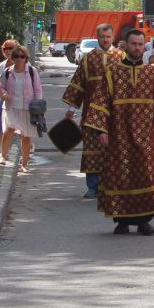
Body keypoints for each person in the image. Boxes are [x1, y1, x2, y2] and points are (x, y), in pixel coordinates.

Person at [84, 27, 154, 235]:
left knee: (146, 175)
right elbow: (101, 101)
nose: (137, 48)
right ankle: (122, 221)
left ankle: (144, 221)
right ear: (127, 44)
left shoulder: (152, 73)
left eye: (141, 44)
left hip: (145, 135)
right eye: (133, 44)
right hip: (119, 135)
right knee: (120, 176)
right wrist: (101, 130)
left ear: (144, 46)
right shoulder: (113, 71)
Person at [61, 22, 122, 196]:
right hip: (91, 112)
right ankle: (93, 187)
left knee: (114, 149)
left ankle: (111, 184)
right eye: (102, 37)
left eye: (108, 37)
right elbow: (78, 84)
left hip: (115, 113)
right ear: (97, 37)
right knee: (92, 148)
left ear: (113, 37)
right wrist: (72, 109)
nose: (105, 40)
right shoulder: (89, 58)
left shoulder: (121, 56)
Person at [0, 45, 41, 171]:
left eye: (22, 57)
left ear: (26, 58)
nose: (19, 59)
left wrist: (37, 105)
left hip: (28, 108)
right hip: (11, 107)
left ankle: (24, 165)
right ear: (13, 58)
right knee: (8, 131)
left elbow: (37, 89)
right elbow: (1, 87)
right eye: (16, 56)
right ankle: (3, 156)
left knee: (26, 136)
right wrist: (4, 93)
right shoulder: (7, 72)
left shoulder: (32, 71)